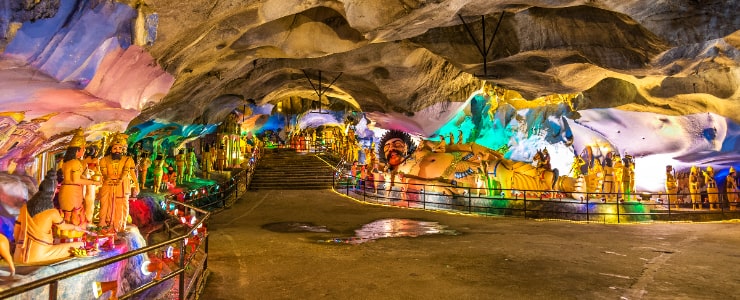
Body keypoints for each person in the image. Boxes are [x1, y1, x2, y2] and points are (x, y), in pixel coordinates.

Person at [14, 170, 86, 264]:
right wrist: (76, 227)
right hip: (40, 254)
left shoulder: (24, 208)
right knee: (79, 245)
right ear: (52, 193)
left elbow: (17, 229)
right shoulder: (52, 212)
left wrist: (18, 244)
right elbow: (63, 227)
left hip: (18, 254)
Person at [58, 128, 101, 227]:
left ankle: (63, 235)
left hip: (65, 189)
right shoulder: (75, 163)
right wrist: (93, 183)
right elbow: (76, 179)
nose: (84, 151)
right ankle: (72, 237)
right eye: (83, 149)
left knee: (66, 215)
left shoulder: (65, 162)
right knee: (73, 216)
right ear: (78, 150)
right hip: (72, 191)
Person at [98, 133, 139, 233]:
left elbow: (133, 174)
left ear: (123, 149)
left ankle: (119, 226)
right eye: (115, 148)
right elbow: (103, 173)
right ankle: (105, 225)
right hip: (109, 184)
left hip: (123, 186)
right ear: (111, 149)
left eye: (120, 148)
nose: (117, 150)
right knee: (106, 205)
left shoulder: (128, 160)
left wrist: (137, 185)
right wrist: (107, 178)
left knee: (122, 205)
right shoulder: (104, 160)